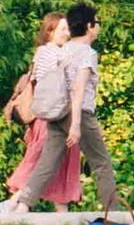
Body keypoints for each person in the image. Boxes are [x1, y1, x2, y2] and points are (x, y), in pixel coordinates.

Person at [4, 0, 127, 224]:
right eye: (97, 22)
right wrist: (76, 124)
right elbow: (78, 88)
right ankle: (115, 214)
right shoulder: (86, 53)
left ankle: (23, 206)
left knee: (47, 162)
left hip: (56, 114)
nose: (98, 26)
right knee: (101, 163)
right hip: (78, 113)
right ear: (89, 26)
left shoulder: (62, 50)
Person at [3, 14, 79, 213]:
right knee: (42, 162)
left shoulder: (60, 52)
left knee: (58, 165)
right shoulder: (47, 53)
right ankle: (17, 203)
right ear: (50, 31)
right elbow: (52, 87)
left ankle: (62, 217)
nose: (67, 33)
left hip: (60, 116)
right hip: (50, 118)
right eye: (63, 29)